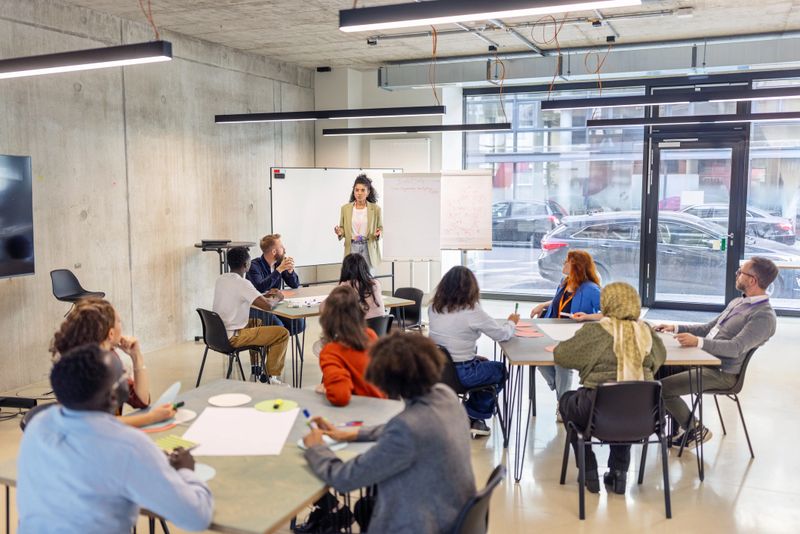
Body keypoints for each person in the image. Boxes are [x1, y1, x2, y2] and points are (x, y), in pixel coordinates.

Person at [17, 343, 213, 532]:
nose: (127, 377)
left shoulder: (38, 426)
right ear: (113, 397)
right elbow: (197, 517)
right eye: (123, 374)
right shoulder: (128, 446)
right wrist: (186, 470)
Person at [302, 333, 476, 533]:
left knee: (365, 506)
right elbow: (412, 428)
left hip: (422, 525)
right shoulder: (445, 396)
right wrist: (355, 433)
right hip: (453, 514)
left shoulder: (407, 430)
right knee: (365, 506)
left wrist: (316, 448)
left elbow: (344, 478)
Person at [655, 257, 778, 447]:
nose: (736, 275)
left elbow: (736, 347)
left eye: (740, 272)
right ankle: (672, 424)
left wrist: (698, 342)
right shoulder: (739, 302)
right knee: (659, 368)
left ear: (752, 280)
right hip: (704, 360)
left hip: (722, 373)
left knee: (661, 389)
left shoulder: (763, 316)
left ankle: (694, 429)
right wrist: (675, 327)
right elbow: (708, 328)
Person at [556, 282, 666, 494]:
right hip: (645, 414)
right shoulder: (647, 333)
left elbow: (562, 355)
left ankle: (588, 471)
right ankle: (619, 473)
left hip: (596, 412)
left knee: (567, 401)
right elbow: (659, 359)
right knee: (625, 397)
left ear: (606, 303)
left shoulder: (596, 331)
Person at [293, 285, 385, 534]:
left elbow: (341, 396)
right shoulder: (370, 336)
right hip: (381, 420)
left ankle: (330, 509)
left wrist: (328, 388)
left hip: (355, 426)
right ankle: (334, 508)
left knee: (301, 448)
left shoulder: (331, 351)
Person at [50, 297, 175, 428]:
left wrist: (136, 356)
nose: (122, 326)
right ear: (110, 333)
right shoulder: (86, 368)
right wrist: (151, 417)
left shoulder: (106, 357)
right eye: (119, 322)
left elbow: (141, 401)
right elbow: (97, 423)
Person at [428, 266, 518, 438]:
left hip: (438, 369)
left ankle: (472, 416)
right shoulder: (472, 311)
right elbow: (502, 335)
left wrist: (473, 357)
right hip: (463, 374)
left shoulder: (433, 308)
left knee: (483, 364)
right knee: (499, 370)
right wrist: (512, 322)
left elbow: (448, 342)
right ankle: (472, 413)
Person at [530, 250, 602, 418]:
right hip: (552, 331)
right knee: (538, 359)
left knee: (562, 364)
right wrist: (543, 305)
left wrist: (587, 316)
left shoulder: (591, 289)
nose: (563, 264)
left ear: (575, 266)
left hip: (574, 338)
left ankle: (563, 406)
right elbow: (558, 299)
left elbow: (610, 311)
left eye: (566, 262)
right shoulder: (565, 282)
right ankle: (562, 393)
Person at [213, 246, 290, 384]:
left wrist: (263, 295)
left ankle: (256, 369)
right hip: (233, 337)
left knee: (256, 322)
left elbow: (242, 295)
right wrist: (278, 297)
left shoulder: (221, 279)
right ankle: (270, 378)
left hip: (218, 335)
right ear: (246, 265)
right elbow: (267, 306)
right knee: (282, 333)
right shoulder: (243, 283)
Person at [246, 233, 305, 335]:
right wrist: (279, 270)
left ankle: (276, 340)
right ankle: (270, 342)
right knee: (278, 327)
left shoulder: (279, 263)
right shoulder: (254, 266)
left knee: (299, 323)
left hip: (275, 304)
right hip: (258, 307)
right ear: (274, 251)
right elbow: (260, 287)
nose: (284, 249)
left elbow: (295, 285)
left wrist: (290, 272)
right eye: (281, 247)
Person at [334, 174, 382, 269]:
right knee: (352, 278)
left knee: (368, 278)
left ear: (368, 192)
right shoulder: (345, 208)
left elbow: (381, 227)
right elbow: (343, 228)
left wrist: (379, 233)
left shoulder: (376, 209)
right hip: (352, 246)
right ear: (354, 191)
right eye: (357, 190)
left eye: (363, 190)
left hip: (368, 247)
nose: (359, 193)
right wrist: (340, 232)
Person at [338, 252, 386, 319]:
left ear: (345, 269)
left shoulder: (345, 286)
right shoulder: (375, 283)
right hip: (380, 327)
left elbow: (325, 307)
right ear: (365, 268)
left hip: (360, 328)